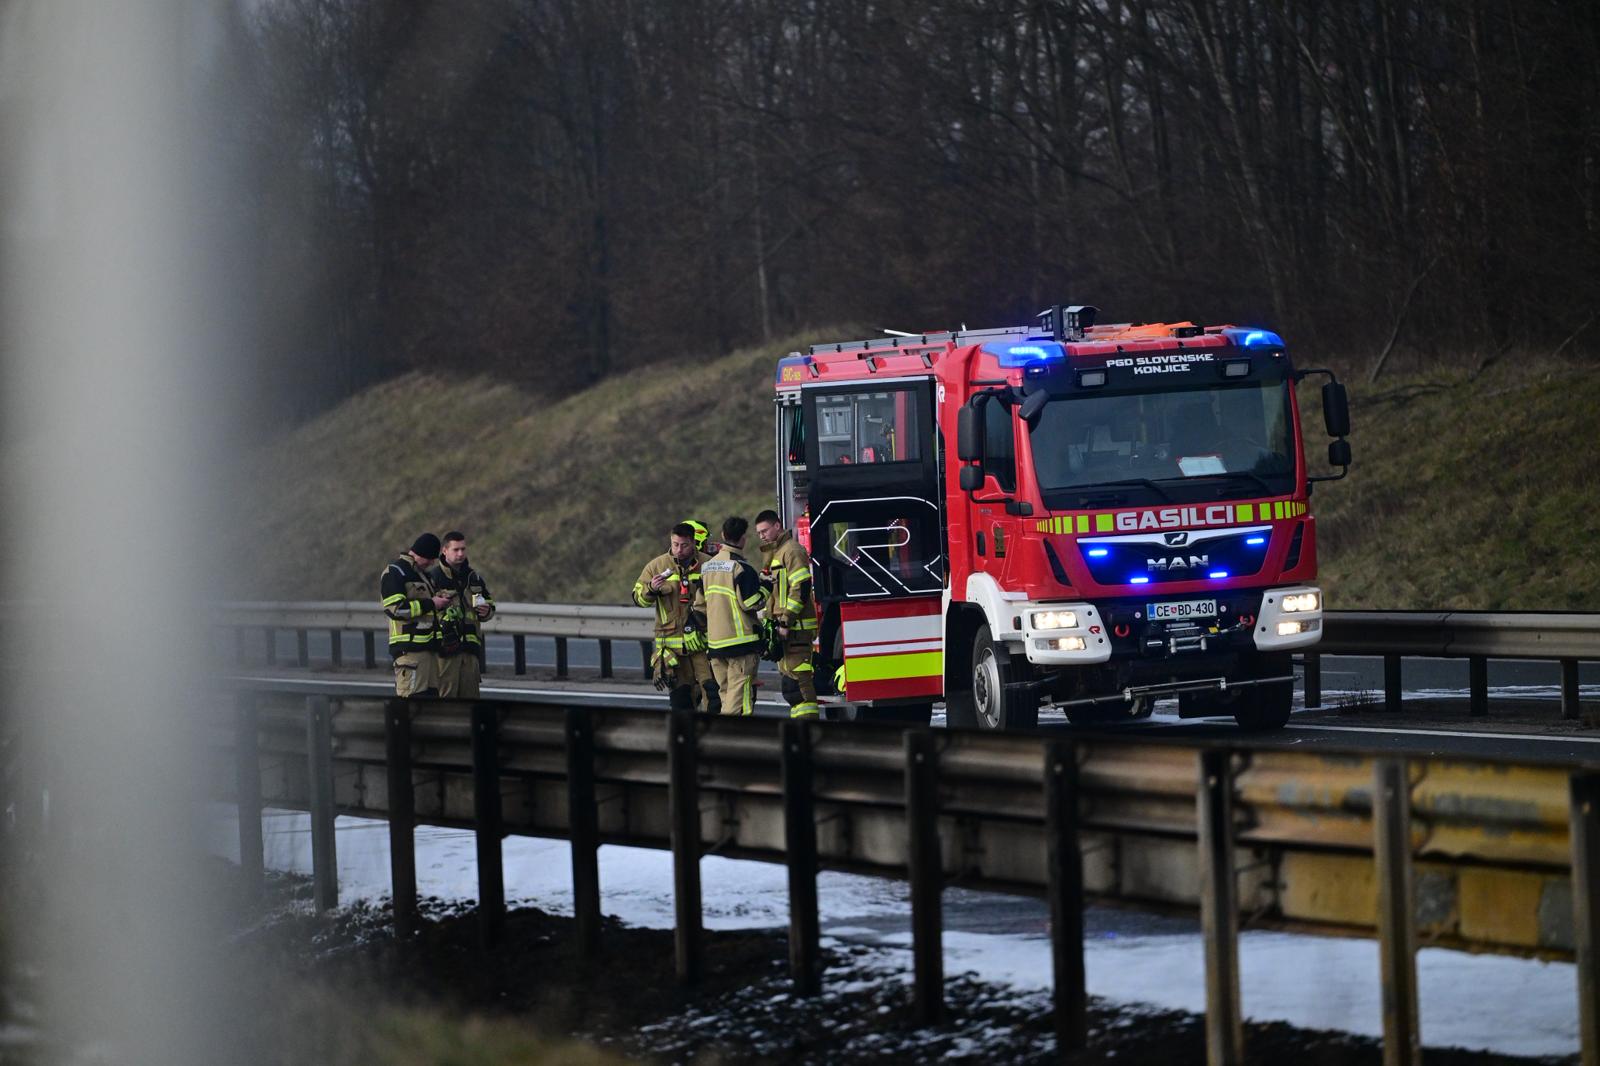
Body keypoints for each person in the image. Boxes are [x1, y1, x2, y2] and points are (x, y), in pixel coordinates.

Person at [631, 523, 718, 712]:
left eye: (684, 545)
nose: (679, 549)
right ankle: (686, 738)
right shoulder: (656, 566)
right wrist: (651, 589)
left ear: (693, 543)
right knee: (681, 704)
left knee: (712, 698)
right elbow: (639, 599)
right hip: (674, 652)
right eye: (675, 544)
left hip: (702, 646)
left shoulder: (709, 564)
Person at [754, 509, 818, 718]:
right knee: (791, 687)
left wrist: (785, 621)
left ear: (777, 526)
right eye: (759, 533)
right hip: (785, 630)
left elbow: (801, 586)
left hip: (795, 629)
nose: (762, 535)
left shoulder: (791, 551)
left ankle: (811, 731)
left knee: (798, 683)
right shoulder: (775, 554)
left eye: (765, 530)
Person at [701, 516, 767, 716]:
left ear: (723, 535)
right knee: (739, 700)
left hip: (715, 644)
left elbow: (699, 604)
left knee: (726, 695)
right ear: (743, 539)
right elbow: (752, 602)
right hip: (741, 643)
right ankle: (735, 739)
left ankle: (723, 738)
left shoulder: (707, 567)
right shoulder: (741, 568)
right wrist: (767, 587)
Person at [380, 533, 451, 697]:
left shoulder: (424, 576)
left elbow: (428, 611)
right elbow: (396, 609)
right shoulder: (395, 572)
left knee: (430, 709)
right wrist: (431, 603)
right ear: (421, 553)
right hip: (409, 654)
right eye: (430, 558)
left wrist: (440, 602)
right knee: (411, 706)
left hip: (430, 654)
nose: (432, 563)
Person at [431, 530, 496, 698]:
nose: (460, 554)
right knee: (446, 699)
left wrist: (487, 610)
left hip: (470, 651)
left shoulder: (473, 577)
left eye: (463, 549)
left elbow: (489, 604)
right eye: (455, 549)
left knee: (471, 701)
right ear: (444, 551)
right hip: (446, 651)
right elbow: (427, 610)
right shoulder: (434, 577)